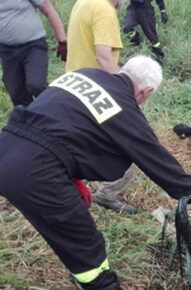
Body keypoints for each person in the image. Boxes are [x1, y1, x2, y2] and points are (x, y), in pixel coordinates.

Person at [0, 56, 191, 290]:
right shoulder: (124, 108)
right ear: (146, 92)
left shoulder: (84, 74)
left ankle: (87, 282)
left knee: (69, 232)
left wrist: (73, 178)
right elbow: (156, 159)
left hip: (9, 144)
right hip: (35, 170)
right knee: (83, 241)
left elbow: (60, 122)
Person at [66, 0, 137, 213]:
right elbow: (103, 56)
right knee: (134, 140)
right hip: (94, 91)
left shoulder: (83, 2)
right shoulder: (104, 10)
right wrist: (123, 95)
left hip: (74, 85)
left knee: (80, 142)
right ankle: (108, 194)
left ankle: (73, 186)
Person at [0, 0, 67, 107]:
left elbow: (48, 9)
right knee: (16, 93)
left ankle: (57, 109)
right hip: (8, 52)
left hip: (33, 46)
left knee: (36, 84)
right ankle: (33, 119)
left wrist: (62, 42)